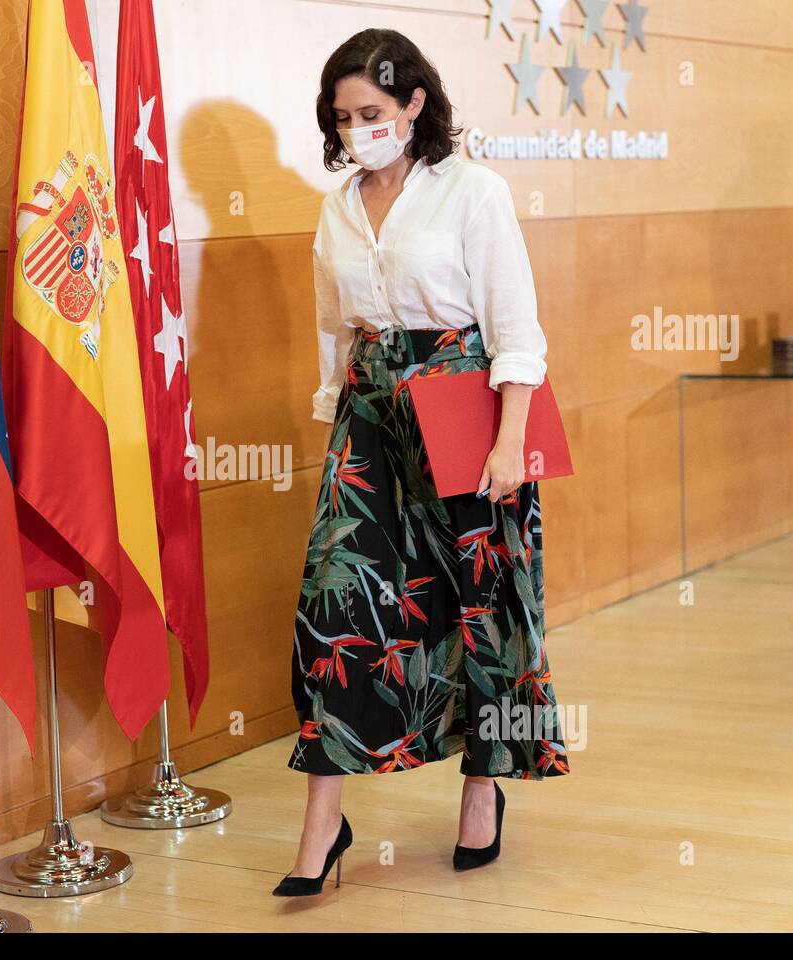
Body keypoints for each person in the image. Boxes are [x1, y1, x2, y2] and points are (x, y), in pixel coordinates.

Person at [275, 28, 570, 898]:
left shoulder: (473, 190)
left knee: (479, 605)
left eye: (373, 111)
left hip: (462, 411)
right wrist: (337, 411)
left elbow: (516, 328)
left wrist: (511, 439)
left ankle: (483, 787)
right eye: (343, 115)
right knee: (334, 606)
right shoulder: (337, 206)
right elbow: (338, 326)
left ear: (413, 106)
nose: (358, 128)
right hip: (368, 419)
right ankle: (321, 829)